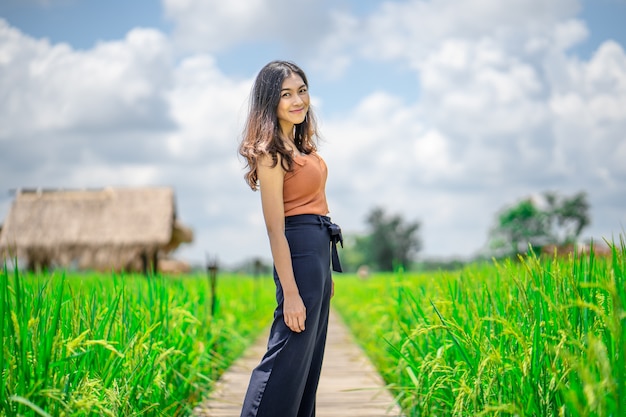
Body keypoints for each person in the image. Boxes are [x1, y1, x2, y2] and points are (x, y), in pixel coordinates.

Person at [238, 60, 343, 417]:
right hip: (297, 252)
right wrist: (292, 294)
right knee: (285, 355)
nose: (297, 100)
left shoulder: (301, 148)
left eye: (302, 90)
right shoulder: (271, 153)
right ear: (271, 101)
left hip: (317, 254)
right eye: (286, 94)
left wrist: (324, 275)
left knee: (307, 363)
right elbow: (275, 229)